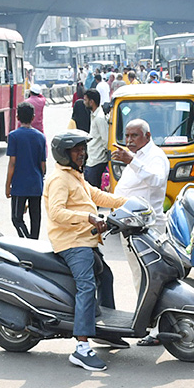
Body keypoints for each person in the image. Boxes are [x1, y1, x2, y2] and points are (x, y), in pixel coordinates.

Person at [44, 130, 128, 370]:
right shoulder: (60, 178)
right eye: (76, 150)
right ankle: (81, 347)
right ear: (64, 154)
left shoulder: (74, 175)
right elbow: (56, 212)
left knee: (106, 276)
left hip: (86, 240)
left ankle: (105, 331)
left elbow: (96, 194)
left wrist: (129, 203)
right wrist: (89, 217)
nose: (82, 153)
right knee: (87, 286)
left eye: (83, 149)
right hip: (72, 242)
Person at [111, 119, 170, 230]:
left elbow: (157, 181)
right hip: (130, 222)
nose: (129, 141)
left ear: (147, 136)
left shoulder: (155, 156)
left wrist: (131, 161)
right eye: (127, 136)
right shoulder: (136, 154)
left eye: (134, 136)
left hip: (147, 226)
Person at [5, 101, 46, 238]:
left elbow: (12, 163)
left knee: (17, 218)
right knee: (35, 217)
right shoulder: (40, 137)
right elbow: (43, 165)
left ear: (17, 117)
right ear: (33, 117)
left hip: (19, 184)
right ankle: (34, 241)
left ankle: (26, 241)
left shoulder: (13, 136)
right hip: (36, 183)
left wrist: (7, 185)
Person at [83, 89, 108, 188]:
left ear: (91, 102)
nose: (84, 103)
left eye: (85, 100)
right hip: (92, 158)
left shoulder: (99, 118)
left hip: (97, 160)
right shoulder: (94, 115)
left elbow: (106, 139)